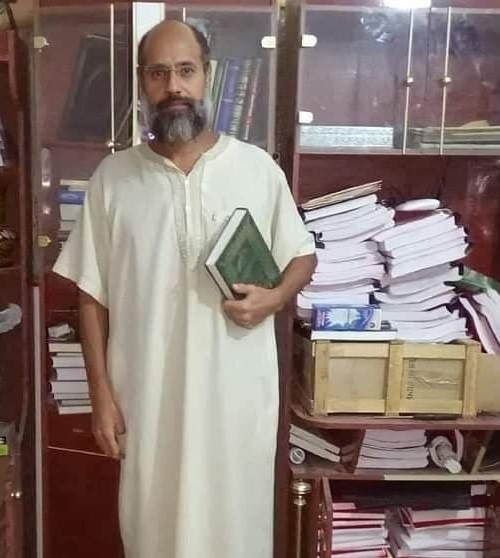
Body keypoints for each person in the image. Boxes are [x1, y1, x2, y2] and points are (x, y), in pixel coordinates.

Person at [53, 19, 316, 558]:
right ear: (142, 83)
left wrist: (275, 297)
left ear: (207, 76)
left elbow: (302, 255)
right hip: (148, 402)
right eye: (158, 73)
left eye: (185, 71)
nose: (173, 86)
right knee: (153, 531)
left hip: (236, 402)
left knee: (235, 533)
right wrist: (101, 396)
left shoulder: (256, 169)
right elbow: (91, 294)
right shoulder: (113, 179)